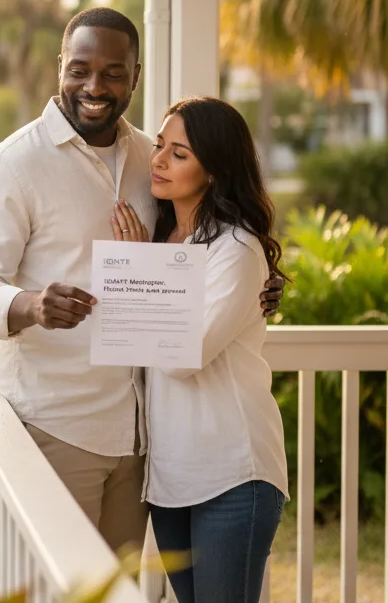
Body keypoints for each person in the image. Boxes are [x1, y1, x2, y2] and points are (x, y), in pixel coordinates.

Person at [0, 6, 285, 554]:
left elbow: (196, 247)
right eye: (80, 68)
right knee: (61, 588)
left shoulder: (149, 157)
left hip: (140, 438)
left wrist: (255, 289)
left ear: (135, 75)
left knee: (119, 592)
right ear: (60, 66)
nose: (94, 85)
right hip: (59, 427)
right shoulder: (13, 165)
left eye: (113, 72)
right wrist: (31, 304)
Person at [111, 97, 289, 603]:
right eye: (160, 146)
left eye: (180, 153)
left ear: (214, 170)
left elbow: (179, 358)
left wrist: (136, 269)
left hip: (233, 473)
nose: (160, 160)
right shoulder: (167, 240)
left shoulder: (236, 249)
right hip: (170, 478)